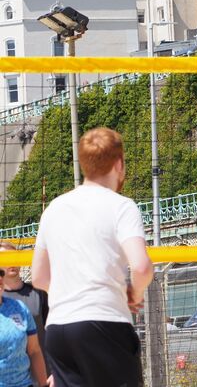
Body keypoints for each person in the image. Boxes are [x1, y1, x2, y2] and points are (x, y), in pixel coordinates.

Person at [31, 127, 154, 387]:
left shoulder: (54, 208)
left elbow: (39, 277)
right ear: (119, 164)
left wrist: (72, 288)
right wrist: (134, 293)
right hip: (103, 321)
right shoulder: (121, 206)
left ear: (83, 164)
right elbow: (142, 267)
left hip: (59, 329)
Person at [0, 242, 49, 371]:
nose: (12, 262)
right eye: (6, 258)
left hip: (42, 374)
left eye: (15, 256)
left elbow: (54, 332)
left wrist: (56, 370)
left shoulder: (39, 292)